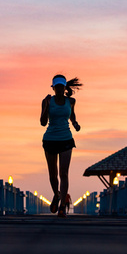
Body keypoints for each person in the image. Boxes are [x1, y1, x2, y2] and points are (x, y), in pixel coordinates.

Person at [40, 74, 81, 217]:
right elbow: (43, 122)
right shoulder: (47, 101)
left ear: (64, 87)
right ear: (53, 87)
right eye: (56, 86)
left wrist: (75, 123)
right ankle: (57, 195)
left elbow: (72, 115)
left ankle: (62, 205)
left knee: (64, 173)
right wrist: (45, 106)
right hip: (50, 139)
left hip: (66, 139)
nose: (58, 89)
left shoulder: (71, 101)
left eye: (60, 86)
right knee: (53, 174)